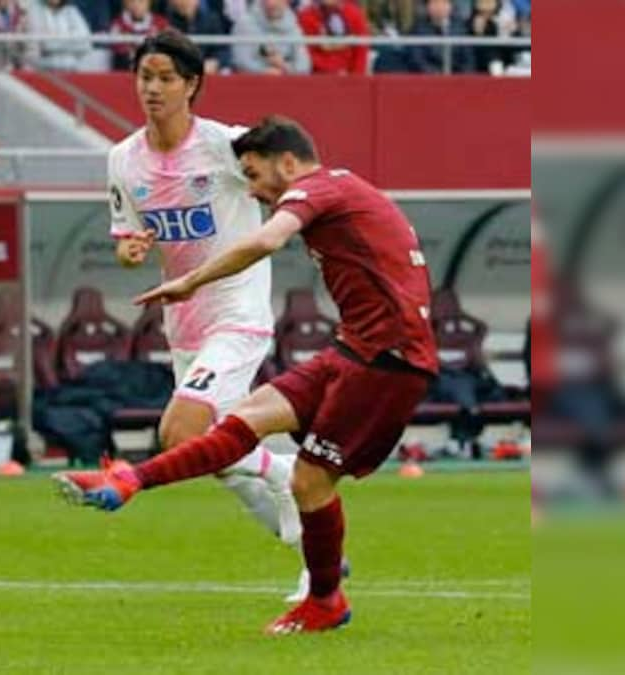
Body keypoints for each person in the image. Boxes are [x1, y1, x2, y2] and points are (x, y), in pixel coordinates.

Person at [56, 116, 438, 635]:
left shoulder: (316, 189)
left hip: (388, 360)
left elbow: (264, 243)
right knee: (246, 417)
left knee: (310, 480)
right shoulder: (344, 189)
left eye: (255, 177)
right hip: (354, 348)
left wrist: (189, 280)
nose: (254, 191)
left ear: (287, 162)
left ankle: (325, 601)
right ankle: (129, 479)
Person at [54, 30, 310, 598]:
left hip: (238, 312)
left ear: (192, 84)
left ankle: (286, 475)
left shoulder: (226, 145)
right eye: (146, 76)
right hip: (184, 322)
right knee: (210, 454)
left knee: (179, 432)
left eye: (167, 78)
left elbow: (290, 178)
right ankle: (314, 558)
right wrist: (132, 252)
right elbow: (124, 241)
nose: (153, 88)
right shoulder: (123, 159)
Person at [231, 0, 311, 75]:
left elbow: (304, 66)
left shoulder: (294, 26)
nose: (272, 3)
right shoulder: (245, 24)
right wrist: (263, 72)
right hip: (252, 83)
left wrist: (284, 66)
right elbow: (241, 62)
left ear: (287, 2)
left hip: (286, 80)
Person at [297, 0, 369, 75]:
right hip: (318, 77)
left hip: (348, 77)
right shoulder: (306, 15)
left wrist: (355, 79)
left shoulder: (354, 13)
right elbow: (307, 54)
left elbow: (361, 51)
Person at [26, 0, 95, 72]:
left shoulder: (71, 10)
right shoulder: (35, 9)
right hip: (44, 72)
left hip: (71, 69)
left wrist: (54, 42)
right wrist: (71, 39)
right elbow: (42, 44)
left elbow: (86, 44)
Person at [163, 0, 230, 74]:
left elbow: (223, 50)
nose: (183, 2)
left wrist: (216, 62)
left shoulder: (211, 19)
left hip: (206, 73)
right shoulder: (166, 21)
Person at [408, 0, 475, 74]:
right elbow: (418, 60)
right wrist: (438, 76)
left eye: (444, 3)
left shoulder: (461, 28)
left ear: (450, 6)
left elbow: (468, 59)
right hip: (430, 79)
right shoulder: (418, 29)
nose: (439, 7)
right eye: (435, 3)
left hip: (457, 78)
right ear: (427, 6)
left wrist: (460, 78)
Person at [109, 0, 169, 71]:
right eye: (132, 1)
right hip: (125, 69)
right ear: (125, 3)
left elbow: (165, 47)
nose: (136, 5)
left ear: (149, 2)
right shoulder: (117, 23)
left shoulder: (161, 23)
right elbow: (119, 49)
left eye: (141, 1)